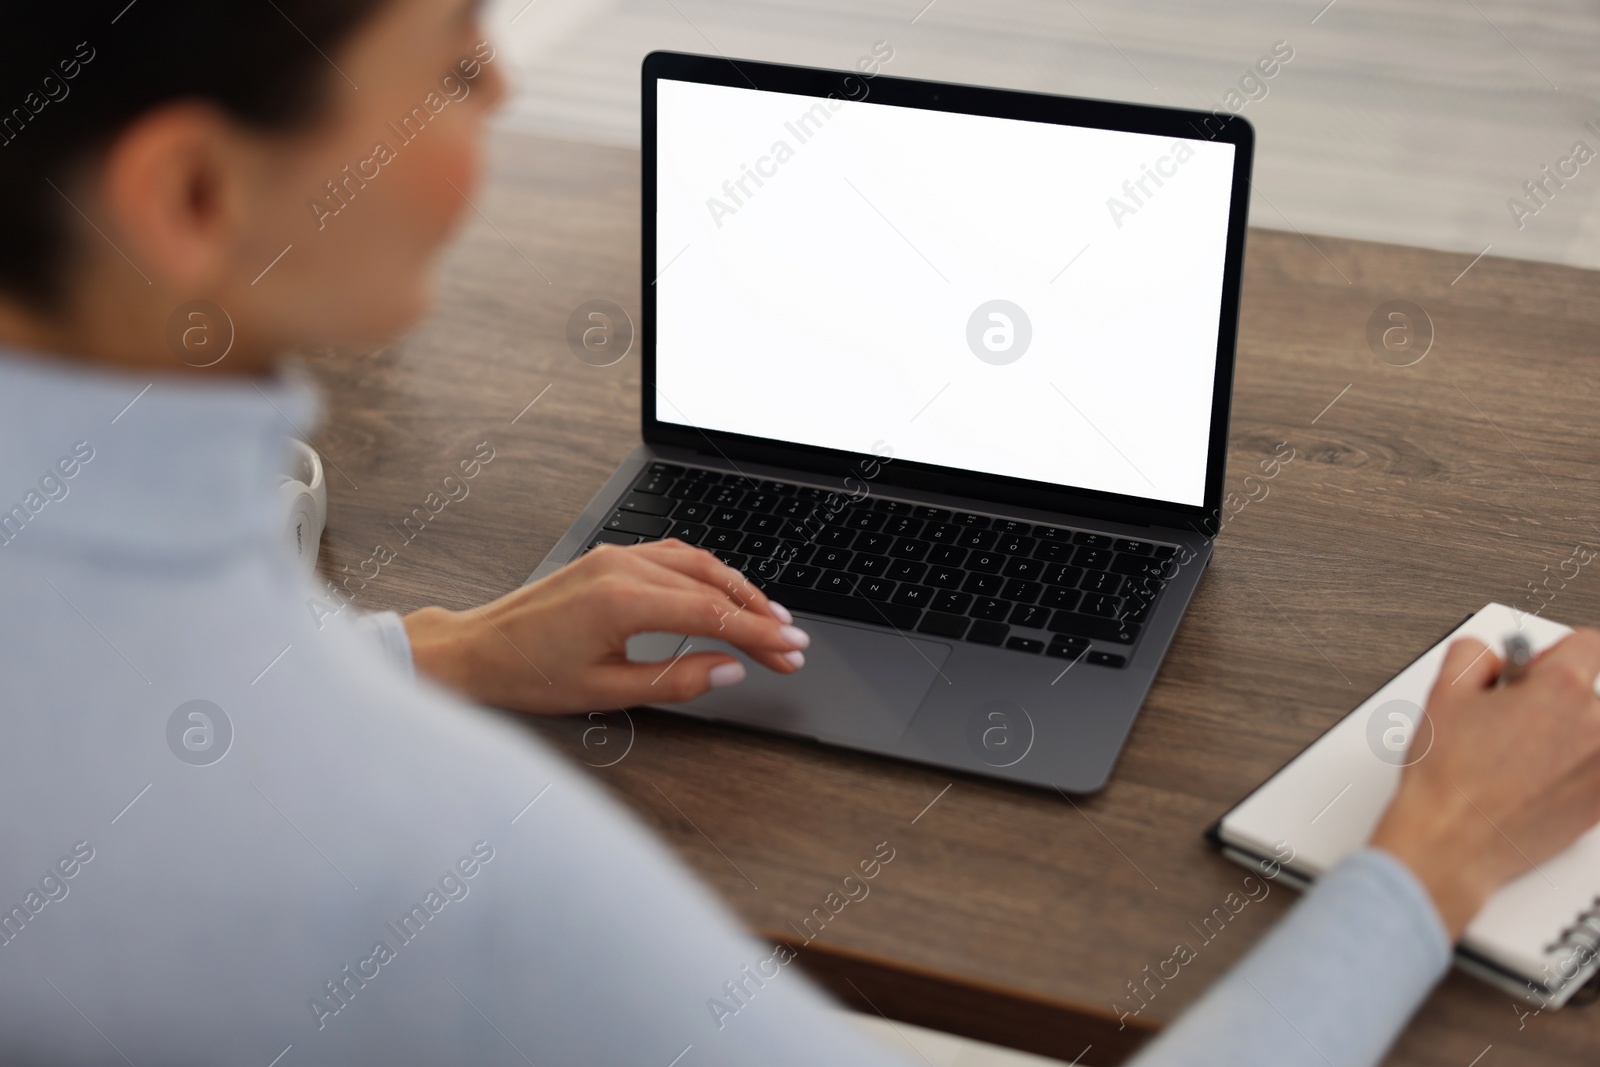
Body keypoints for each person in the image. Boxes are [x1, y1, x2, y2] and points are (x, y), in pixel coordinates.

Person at [2, 2, 1598, 1064]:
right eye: (446, 53)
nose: (492, 88)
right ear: (192, 193)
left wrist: (436, 648)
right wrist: (1432, 857)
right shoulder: (443, 855)